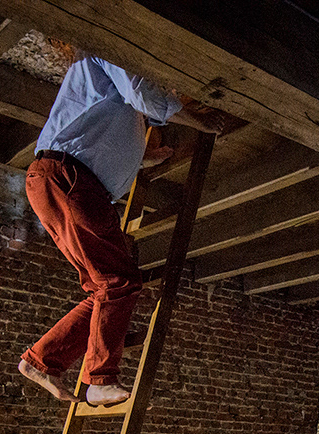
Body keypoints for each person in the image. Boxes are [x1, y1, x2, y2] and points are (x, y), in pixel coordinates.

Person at [18, 47, 229, 405]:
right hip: (70, 180)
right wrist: (201, 120)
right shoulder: (113, 50)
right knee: (119, 282)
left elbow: (105, 130)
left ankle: (42, 360)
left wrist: (141, 156)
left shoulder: (111, 95)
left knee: (106, 288)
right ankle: (98, 379)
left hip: (61, 181)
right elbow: (145, 94)